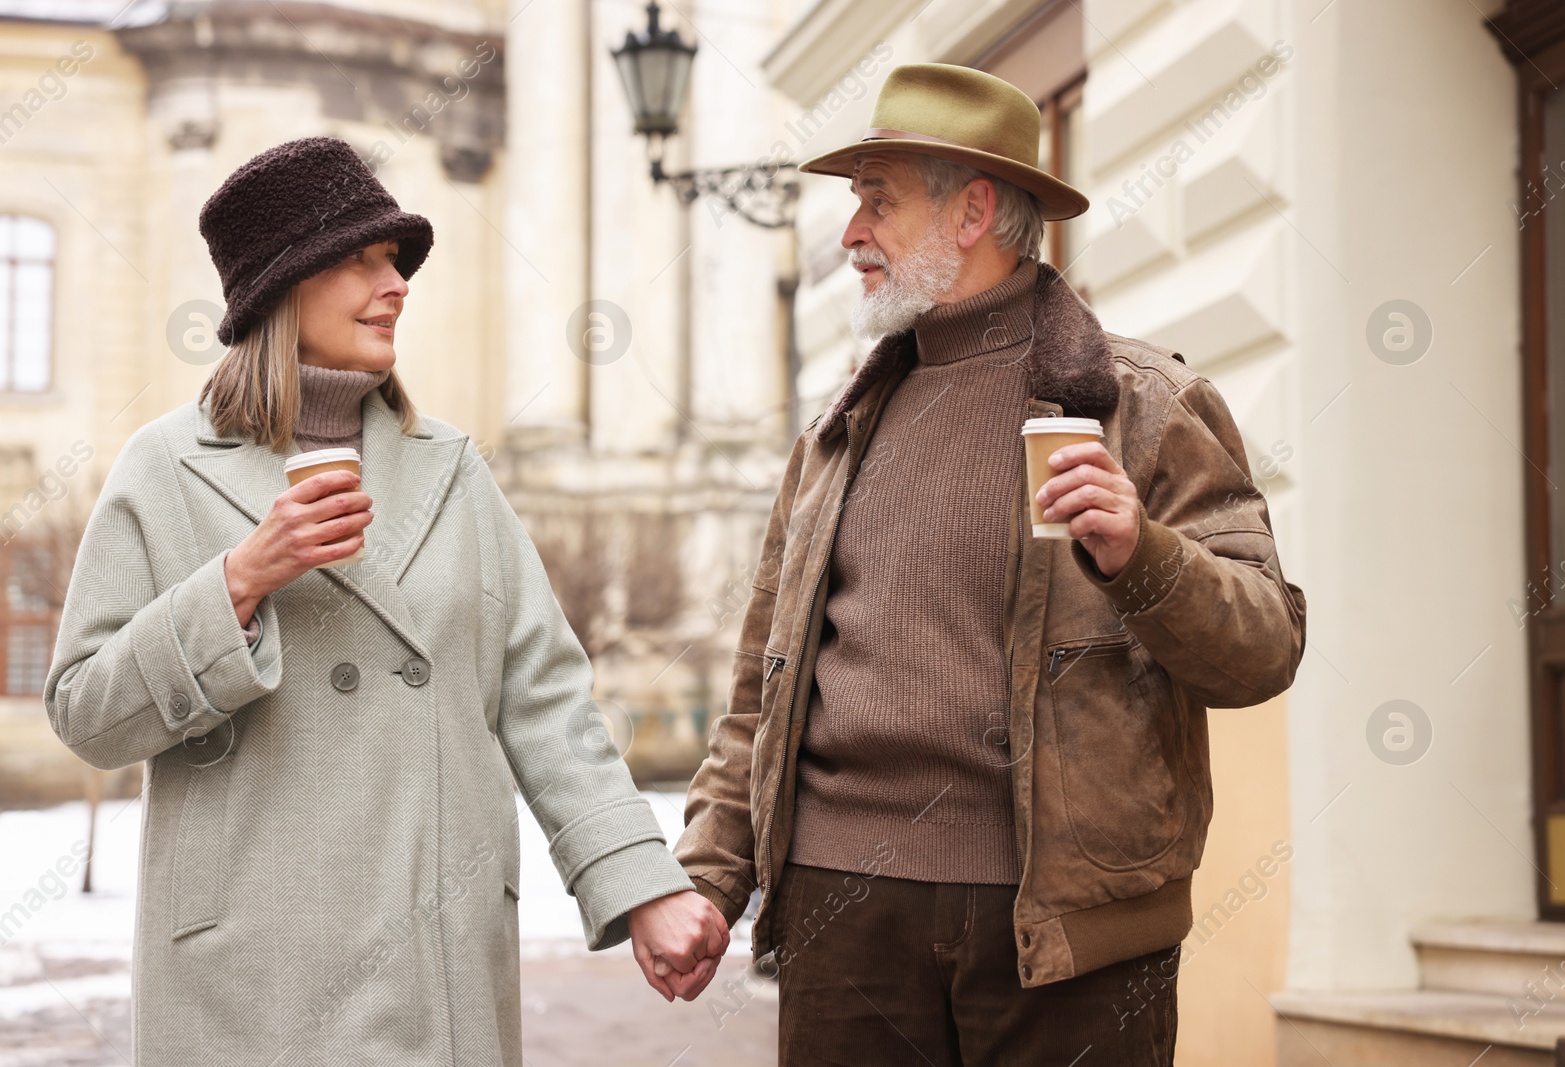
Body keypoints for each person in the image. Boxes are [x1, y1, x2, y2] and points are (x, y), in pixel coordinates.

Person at [43, 136, 726, 1067]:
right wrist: (238, 583)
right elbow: (86, 711)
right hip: (249, 972)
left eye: (395, 259)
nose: (397, 281)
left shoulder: (451, 469)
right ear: (283, 286)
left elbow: (546, 698)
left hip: (431, 957)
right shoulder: (163, 469)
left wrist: (636, 879)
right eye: (361, 258)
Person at [674, 64, 1308, 1065]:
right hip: (844, 918)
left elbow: (1262, 647)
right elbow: (764, 684)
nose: (850, 235)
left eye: (877, 200)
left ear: (972, 210)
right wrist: (710, 872)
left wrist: (1141, 552)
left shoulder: (1142, 402)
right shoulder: (836, 433)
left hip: (1069, 931)